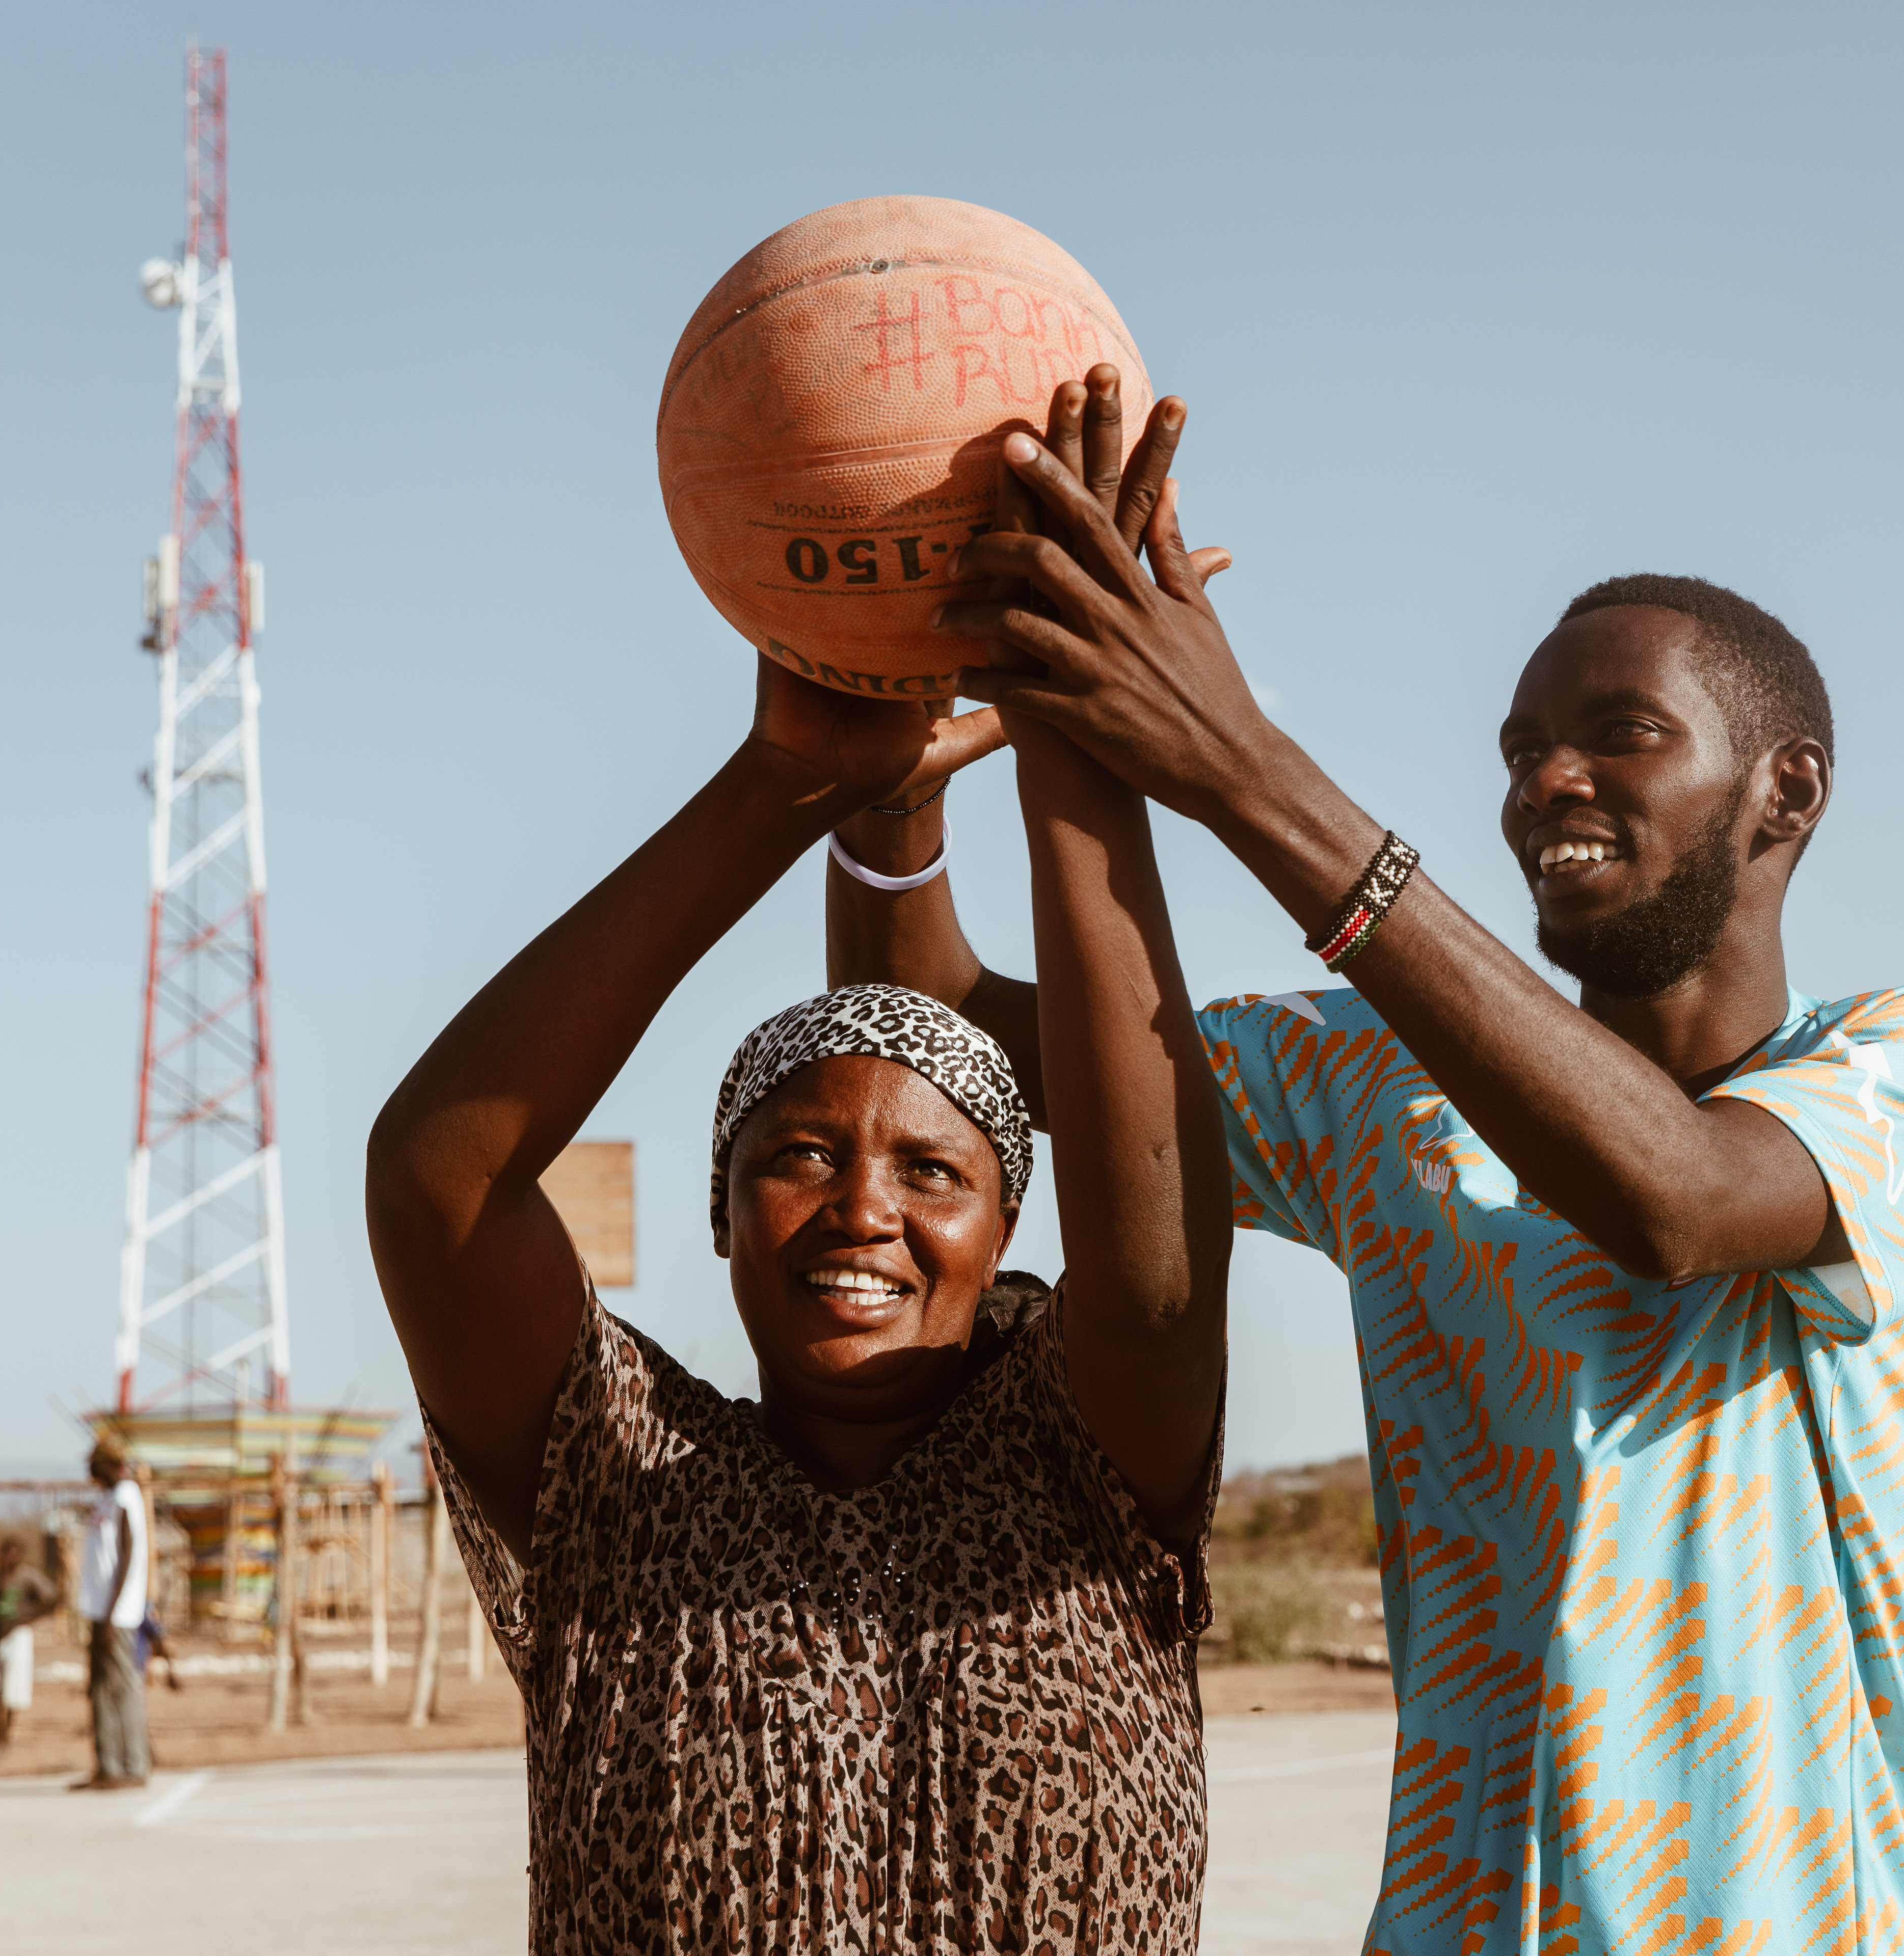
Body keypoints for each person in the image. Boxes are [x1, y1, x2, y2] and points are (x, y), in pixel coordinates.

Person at [828, 377, 1904, 1950]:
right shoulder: (1375, 1076)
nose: (1548, 780)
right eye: (1525, 745)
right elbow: (946, 1044)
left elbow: (1674, 1198)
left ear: (1785, 791)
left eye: (1624, 733)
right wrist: (893, 799)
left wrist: (1244, 769)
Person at [364, 386, 1232, 1954]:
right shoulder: (613, 1493)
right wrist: (782, 785)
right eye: (803, 1155)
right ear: (719, 1207)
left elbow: (1158, 1272)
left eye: (931, 1170)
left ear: (1014, 1220)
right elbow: (439, 1184)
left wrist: (1073, 737)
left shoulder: (1088, 1469)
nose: (862, 1207)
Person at [75, 1440, 152, 1790]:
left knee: (123, 1688)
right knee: (100, 1690)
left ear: (110, 1465)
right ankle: (108, 1766)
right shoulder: (106, 1499)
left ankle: (133, 1765)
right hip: (99, 1610)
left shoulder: (126, 1495)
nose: (90, 1471)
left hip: (117, 1614)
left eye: (95, 1464)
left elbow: (127, 1554)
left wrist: (111, 1613)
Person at [0, 1537, 58, 1759]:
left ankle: (6, 1738)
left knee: (12, 1691)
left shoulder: (28, 1576)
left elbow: (54, 1597)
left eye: (14, 1553)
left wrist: (29, 1616)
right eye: (6, 1553)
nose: (9, 1558)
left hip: (17, 1635)